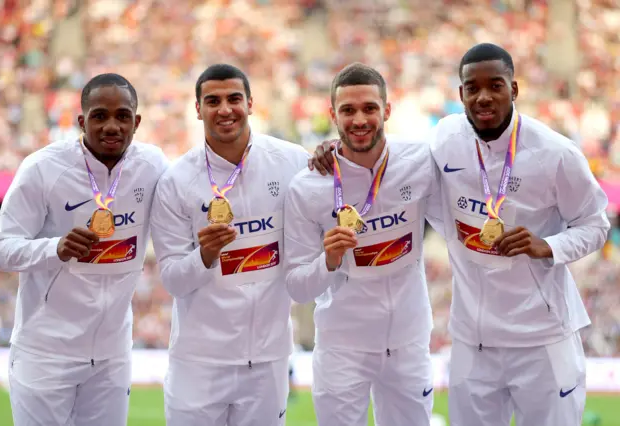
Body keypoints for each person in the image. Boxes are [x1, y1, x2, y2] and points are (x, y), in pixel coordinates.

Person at [309, 44, 611, 426]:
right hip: (473, 343)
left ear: (514, 89)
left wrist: (548, 245)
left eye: (496, 86)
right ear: (461, 94)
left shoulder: (556, 154)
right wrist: (338, 150)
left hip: (542, 340)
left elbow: (596, 225)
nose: (484, 97)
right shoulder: (447, 136)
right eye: (473, 87)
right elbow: (392, 159)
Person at [0, 73, 169, 426]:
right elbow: (0, 250)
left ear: (137, 121)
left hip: (111, 357)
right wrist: (54, 247)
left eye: (122, 116)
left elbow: (196, 189)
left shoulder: (153, 165)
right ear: (82, 121)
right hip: (45, 353)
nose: (112, 126)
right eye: (100, 116)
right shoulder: (43, 168)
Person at [283, 62, 444, 426]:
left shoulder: (420, 160)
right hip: (342, 346)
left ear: (386, 110)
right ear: (332, 115)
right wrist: (328, 260)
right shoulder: (307, 187)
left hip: (408, 341)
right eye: (348, 110)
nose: (360, 119)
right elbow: (296, 285)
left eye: (370, 108)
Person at [149, 63, 310, 426]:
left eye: (234, 98)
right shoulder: (176, 181)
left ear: (250, 103)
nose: (225, 109)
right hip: (199, 363)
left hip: (268, 362)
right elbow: (173, 280)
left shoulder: (292, 162)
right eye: (213, 100)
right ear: (197, 109)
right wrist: (204, 256)